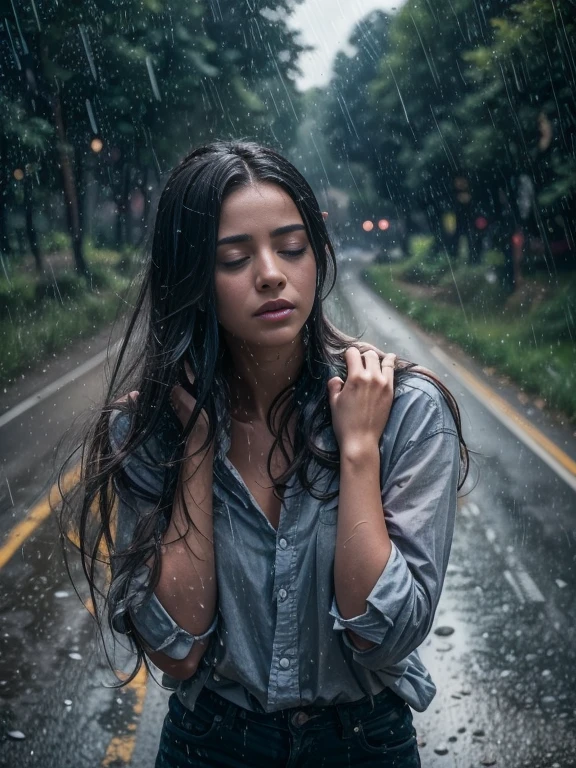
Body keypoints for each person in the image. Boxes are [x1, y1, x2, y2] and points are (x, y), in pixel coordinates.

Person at [61, 140, 469, 767]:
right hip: (209, 745)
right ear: (193, 279)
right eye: (234, 257)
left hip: (366, 746)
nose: (271, 273)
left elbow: (381, 633)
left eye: (291, 247)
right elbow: (177, 648)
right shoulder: (153, 430)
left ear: (316, 257)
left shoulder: (405, 409)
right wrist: (196, 447)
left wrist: (358, 450)